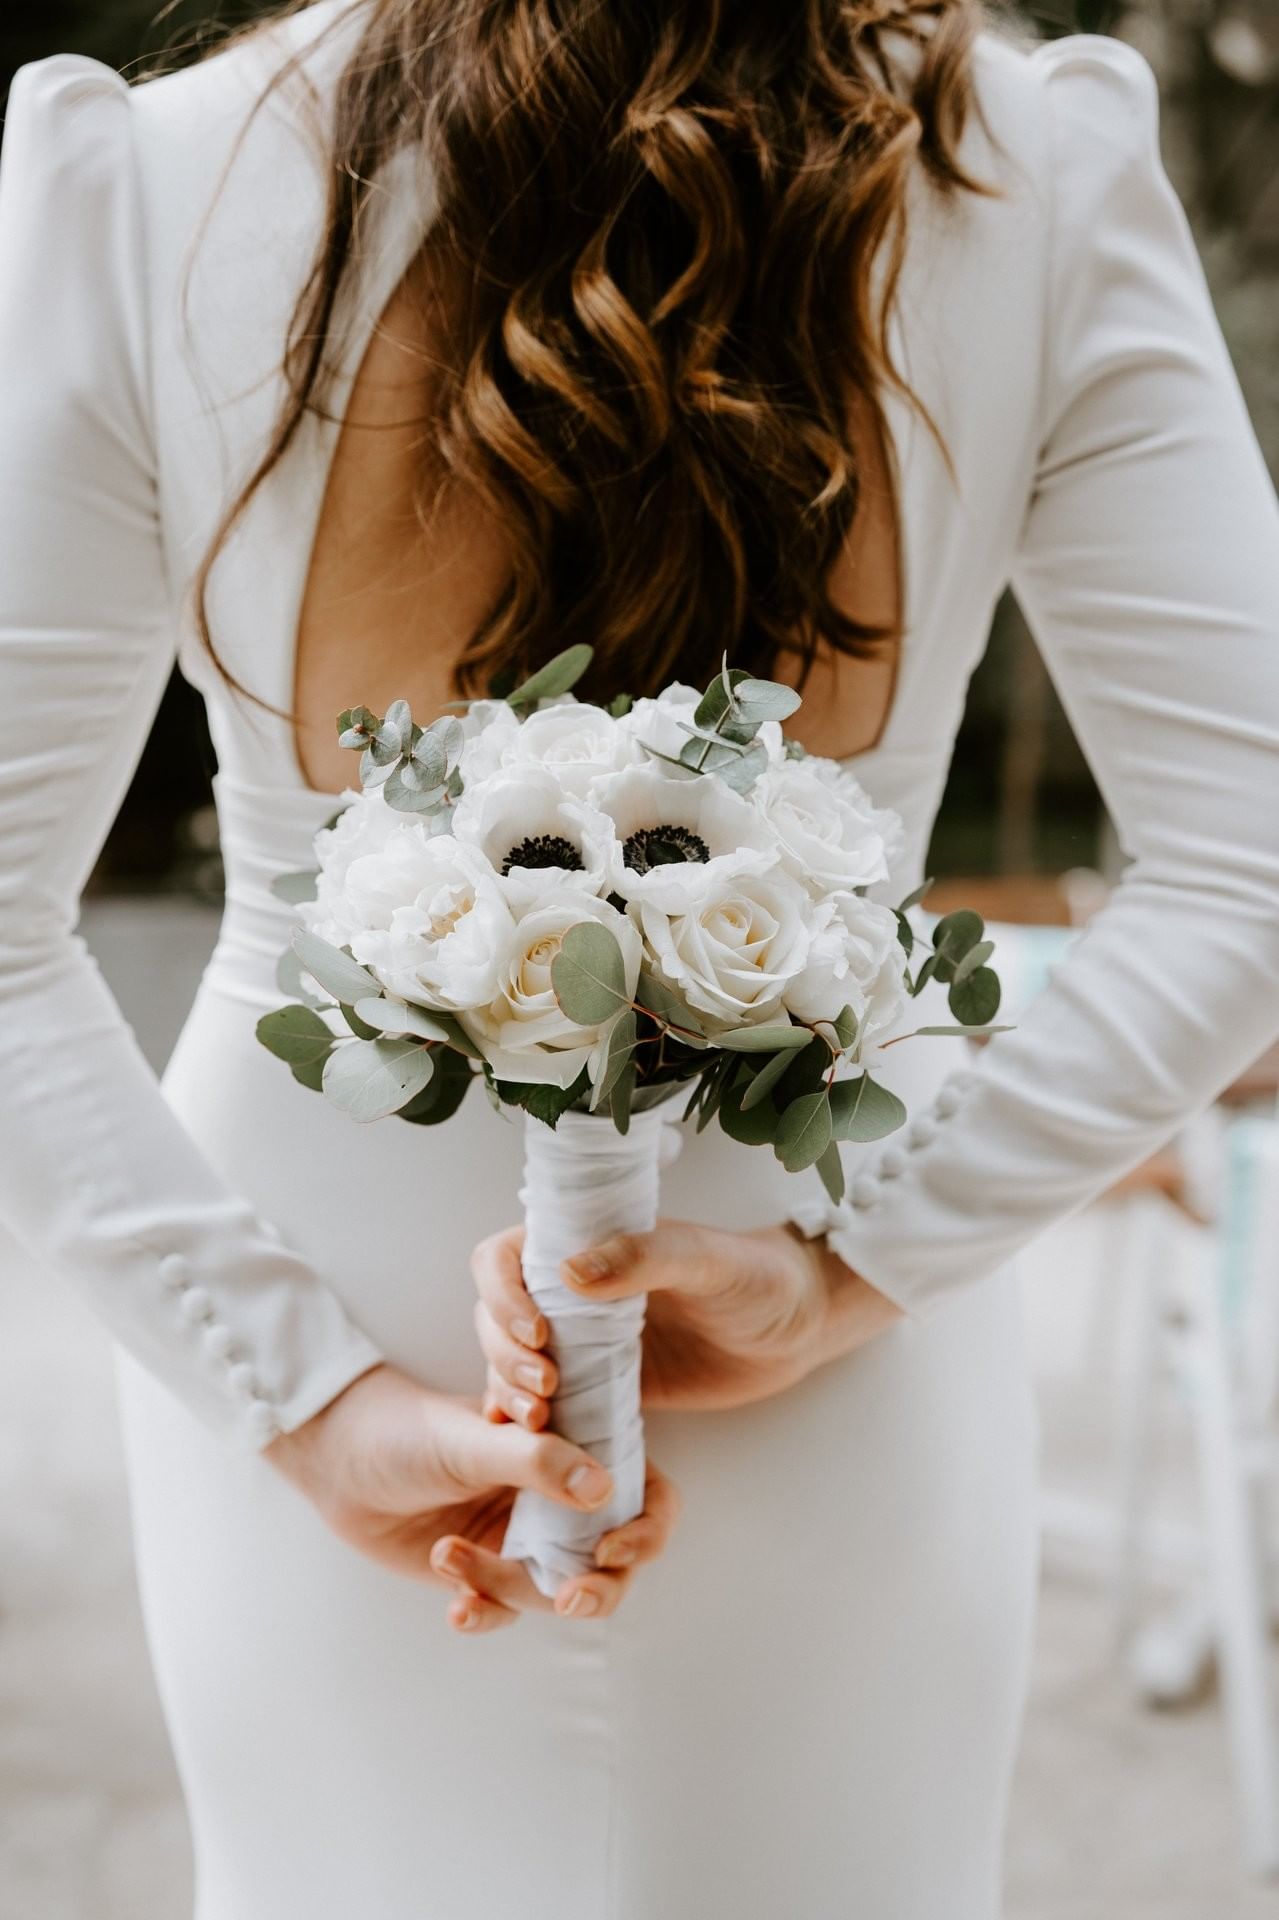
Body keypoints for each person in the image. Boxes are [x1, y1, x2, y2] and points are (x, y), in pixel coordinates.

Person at [0, 0, 1276, 1913]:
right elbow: (1252, 867)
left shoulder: (154, 178)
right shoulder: (1027, 166)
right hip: (829, 1330)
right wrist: (858, 1266)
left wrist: (300, 1395)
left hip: (333, 1300)